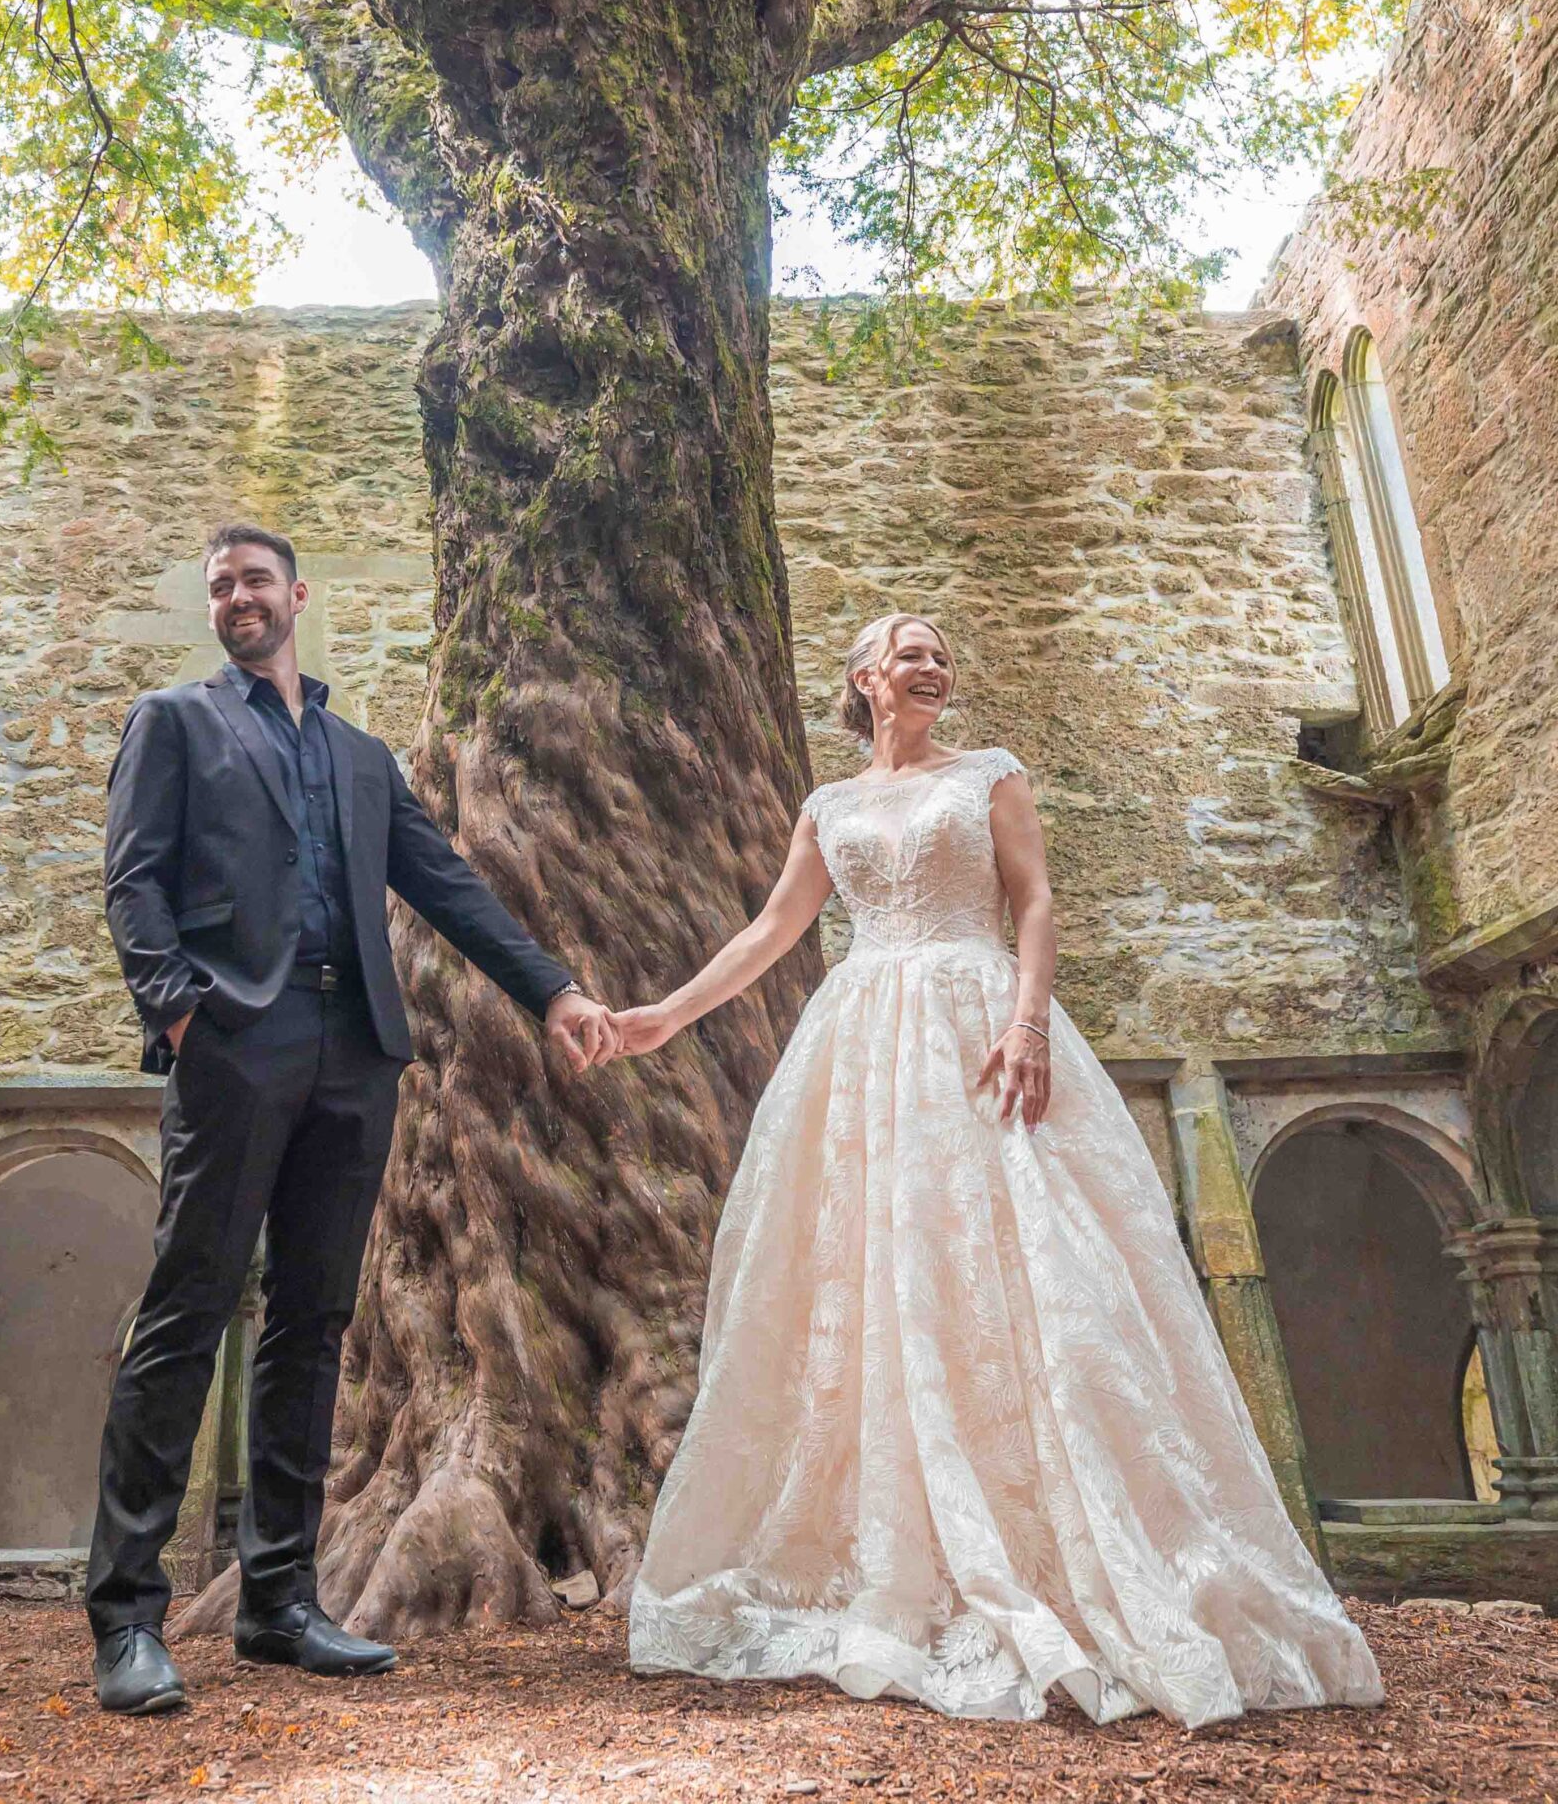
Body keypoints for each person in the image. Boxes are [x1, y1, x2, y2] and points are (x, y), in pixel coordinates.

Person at [612, 613, 1383, 1727]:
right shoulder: (827, 806)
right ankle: (897, 1548)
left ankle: (1066, 1541)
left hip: (978, 1025)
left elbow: (1032, 900)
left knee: (1023, 1260)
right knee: (870, 1264)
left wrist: (1026, 1023)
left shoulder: (989, 776)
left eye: (941, 653)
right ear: (865, 678)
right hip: (863, 1041)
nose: (932, 666)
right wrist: (665, 1016)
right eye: (911, 652)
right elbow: (773, 930)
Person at [87, 523, 617, 1715]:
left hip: (355, 1052)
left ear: (296, 595)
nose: (236, 597)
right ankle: (125, 1618)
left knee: (312, 1323)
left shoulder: (360, 756)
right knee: (185, 1311)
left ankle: (279, 1602)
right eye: (218, 584)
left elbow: (447, 885)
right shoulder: (174, 723)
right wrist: (181, 1016)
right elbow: (133, 879)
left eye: (254, 580)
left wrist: (553, 991)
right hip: (234, 1045)